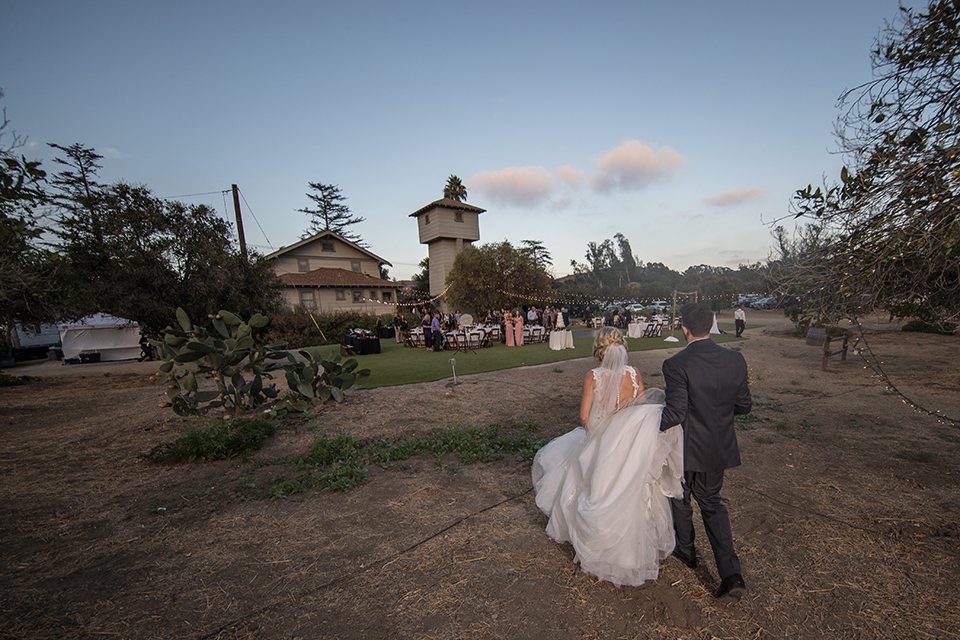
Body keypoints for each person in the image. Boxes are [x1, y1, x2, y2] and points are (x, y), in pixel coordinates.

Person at [532, 327, 684, 586]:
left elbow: (583, 416)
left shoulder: (593, 376)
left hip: (604, 440)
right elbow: (642, 409)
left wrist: (597, 438)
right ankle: (634, 548)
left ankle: (599, 547)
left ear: (599, 348)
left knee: (592, 484)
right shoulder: (634, 373)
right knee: (630, 491)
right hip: (629, 444)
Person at [659, 303, 752, 602]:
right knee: (712, 504)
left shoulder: (676, 363)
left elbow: (675, 413)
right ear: (711, 324)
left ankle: (686, 550)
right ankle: (731, 575)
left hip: (687, 448)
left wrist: (642, 424)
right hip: (718, 446)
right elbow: (744, 406)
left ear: (684, 328)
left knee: (679, 496)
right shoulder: (735, 359)